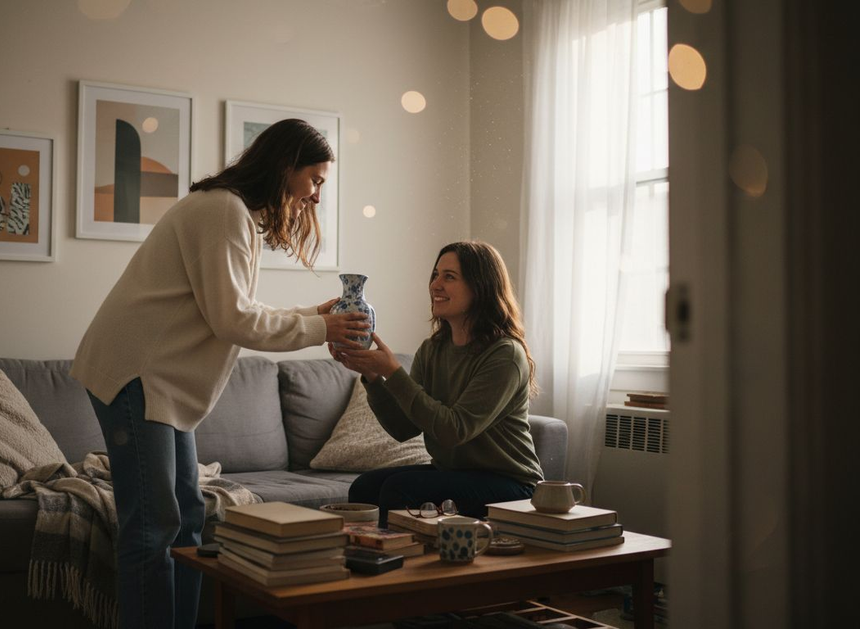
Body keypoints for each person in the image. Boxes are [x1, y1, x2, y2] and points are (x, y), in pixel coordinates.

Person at [70, 119, 369, 629]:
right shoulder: (221, 211)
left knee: (187, 516)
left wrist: (314, 315)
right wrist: (322, 327)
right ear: (285, 168)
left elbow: (235, 307)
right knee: (153, 527)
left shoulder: (231, 212)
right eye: (315, 180)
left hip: (158, 384)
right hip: (137, 375)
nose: (317, 196)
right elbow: (232, 320)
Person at [332, 240, 543, 527]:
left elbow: (454, 430)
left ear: (480, 286)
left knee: (401, 490)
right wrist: (372, 375)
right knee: (364, 488)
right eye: (435, 275)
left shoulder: (505, 354)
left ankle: (403, 563)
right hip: (454, 473)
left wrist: (394, 372)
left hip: (511, 484)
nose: (435, 285)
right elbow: (403, 429)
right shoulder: (433, 349)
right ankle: (376, 555)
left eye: (449, 277)